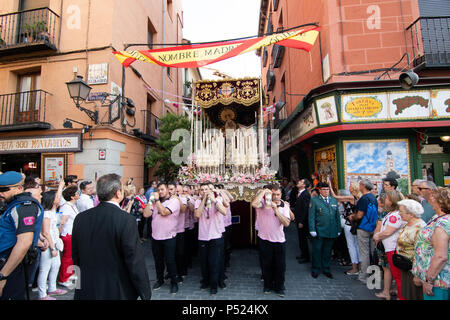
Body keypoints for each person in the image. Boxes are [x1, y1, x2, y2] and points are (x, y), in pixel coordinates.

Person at [71, 173, 151, 300]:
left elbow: (76, 256)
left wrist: (78, 284)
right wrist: (145, 292)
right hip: (116, 289)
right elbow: (134, 259)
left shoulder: (81, 218)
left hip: (87, 287)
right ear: (118, 193)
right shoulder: (126, 220)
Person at [0, 172, 43, 300]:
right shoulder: (12, 205)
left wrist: (3, 276)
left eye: (4, 190)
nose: (0, 193)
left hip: (13, 265)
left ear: (19, 188)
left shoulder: (25, 207)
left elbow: (24, 243)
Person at [251, 185, 291, 297]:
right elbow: (254, 204)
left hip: (279, 240)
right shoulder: (263, 203)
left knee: (280, 266)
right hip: (264, 238)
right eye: (273, 194)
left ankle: (279, 287)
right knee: (266, 264)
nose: (276, 197)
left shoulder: (284, 205)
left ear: (281, 195)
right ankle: (267, 285)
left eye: (278, 194)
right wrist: (263, 192)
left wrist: (276, 209)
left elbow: (287, 223)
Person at [412, 187, 449, 300]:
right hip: (435, 278)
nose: (430, 198)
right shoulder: (437, 218)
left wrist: (429, 280)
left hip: (439, 281)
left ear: (440, 201)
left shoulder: (443, 224)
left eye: (433, 196)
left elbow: (441, 256)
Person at [143, 182, 180, 294]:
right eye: (158, 190)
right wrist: (150, 201)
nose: (160, 192)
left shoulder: (174, 201)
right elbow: (146, 214)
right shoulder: (154, 202)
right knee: (158, 261)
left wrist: (157, 200)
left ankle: (174, 282)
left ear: (168, 190)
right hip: (156, 237)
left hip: (169, 236)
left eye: (162, 189)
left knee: (170, 261)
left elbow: (164, 212)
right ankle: (160, 280)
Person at [194, 183, 228, 295]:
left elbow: (224, 211)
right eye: (202, 190)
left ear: (211, 190)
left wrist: (214, 200)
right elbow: (197, 215)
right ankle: (205, 281)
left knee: (214, 262)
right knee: (204, 261)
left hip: (216, 235)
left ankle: (214, 284)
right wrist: (203, 200)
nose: (204, 191)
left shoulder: (217, 199)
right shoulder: (198, 201)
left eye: (207, 189)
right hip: (203, 236)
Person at [37, 181, 67, 300]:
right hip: (48, 244)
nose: (58, 200)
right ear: (51, 200)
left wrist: (60, 186)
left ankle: (52, 288)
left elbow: (58, 197)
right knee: (45, 268)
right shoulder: (47, 214)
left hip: (54, 242)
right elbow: (46, 232)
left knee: (55, 265)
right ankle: (42, 295)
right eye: (55, 198)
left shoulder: (52, 210)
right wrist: (52, 247)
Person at [373, 190, 405, 300]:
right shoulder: (391, 213)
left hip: (393, 249)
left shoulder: (395, 215)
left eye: (386, 198)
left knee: (398, 276)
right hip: (389, 248)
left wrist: (378, 236)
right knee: (396, 275)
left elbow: (388, 231)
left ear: (391, 201)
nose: (384, 200)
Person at [348, 179, 378, 284]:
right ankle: (374, 276)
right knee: (372, 252)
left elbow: (360, 215)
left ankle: (364, 276)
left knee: (364, 253)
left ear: (363, 186)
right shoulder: (374, 198)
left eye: (360, 184)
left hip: (363, 227)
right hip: (373, 227)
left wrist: (352, 217)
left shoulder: (363, 199)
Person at [308, 182, 341, 279]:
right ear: (319, 190)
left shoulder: (333, 200)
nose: (326, 191)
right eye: (324, 189)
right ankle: (315, 269)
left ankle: (326, 269)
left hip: (331, 230)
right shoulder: (314, 200)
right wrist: (312, 229)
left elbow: (337, 216)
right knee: (317, 250)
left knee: (327, 251)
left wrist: (338, 228)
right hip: (319, 230)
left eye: (327, 190)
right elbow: (311, 216)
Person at [328, 180, 361, 275]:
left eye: (350, 186)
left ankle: (355, 267)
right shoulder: (357, 198)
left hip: (349, 223)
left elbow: (335, 197)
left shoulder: (351, 197)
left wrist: (330, 186)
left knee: (351, 245)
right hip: (355, 224)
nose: (349, 187)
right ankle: (358, 266)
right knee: (356, 245)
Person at [396, 199, 426, 300]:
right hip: (405, 266)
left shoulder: (420, 227)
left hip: (414, 269)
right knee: (408, 294)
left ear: (411, 214)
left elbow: (422, 252)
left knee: (415, 295)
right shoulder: (406, 224)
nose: (399, 214)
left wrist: (417, 274)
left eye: (401, 211)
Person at [372, 193, 394, 299]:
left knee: (386, 268)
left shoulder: (386, 213)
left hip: (386, 245)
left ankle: (386, 291)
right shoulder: (389, 213)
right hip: (387, 244)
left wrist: (376, 237)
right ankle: (392, 290)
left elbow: (380, 226)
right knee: (389, 268)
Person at [58, 185, 80, 288]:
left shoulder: (72, 205)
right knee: (67, 257)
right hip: (67, 234)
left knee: (70, 257)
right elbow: (62, 222)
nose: (78, 194)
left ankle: (69, 276)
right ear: (72, 196)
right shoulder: (66, 207)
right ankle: (64, 278)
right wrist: (58, 235)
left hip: (71, 234)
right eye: (76, 193)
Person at [293, 178, 311, 264]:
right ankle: (302, 254)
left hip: (302, 221)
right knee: (300, 238)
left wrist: (302, 221)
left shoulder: (306, 194)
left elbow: (305, 209)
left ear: (303, 185)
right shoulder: (300, 193)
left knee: (303, 239)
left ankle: (306, 256)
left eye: (300, 182)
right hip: (298, 219)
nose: (298, 182)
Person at [172, 183, 187, 283]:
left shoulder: (183, 199)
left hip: (180, 229)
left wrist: (177, 198)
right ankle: (172, 272)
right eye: (175, 191)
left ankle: (181, 272)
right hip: (170, 230)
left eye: (178, 191)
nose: (176, 192)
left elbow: (183, 210)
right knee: (171, 254)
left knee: (180, 252)